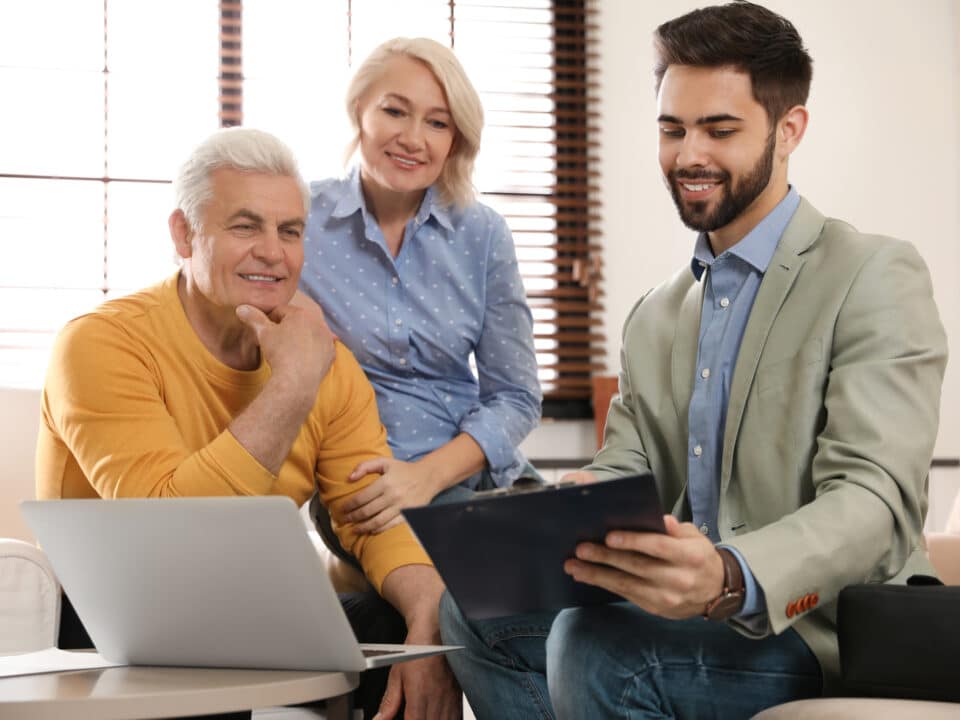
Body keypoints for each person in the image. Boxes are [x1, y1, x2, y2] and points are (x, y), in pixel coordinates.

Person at [438, 2, 948, 718]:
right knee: (467, 615)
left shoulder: (872, 274)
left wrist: (732, 575)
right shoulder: (656, 314)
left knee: (596, 646)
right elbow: (629, 466)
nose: (688, 155)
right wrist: (573, 504)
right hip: (688, 618)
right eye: (672, 129)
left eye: (720, 128)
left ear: (790, 128)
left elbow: (875, 501)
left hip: (821, 630)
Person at [36, 127, 460, 720]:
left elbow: (373, 517)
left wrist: (429, 623)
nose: (273, 252)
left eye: (290, 232)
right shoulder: (101, 343)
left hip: (245, 607)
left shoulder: (325, 362)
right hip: (116, 618)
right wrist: (290, 386)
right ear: (184, 234)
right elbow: (171, 537)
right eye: (245, 226)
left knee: (414, 628)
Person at [299, 37, 542, 538]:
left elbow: (516, 397)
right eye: (395, 111)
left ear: (456, 139)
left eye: (438, 122)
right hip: (365, 484)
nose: (414, 138)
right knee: (494, 611)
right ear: (359, 109)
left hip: (477, 477)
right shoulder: (299, 220)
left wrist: (426, 477)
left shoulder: (483, 233)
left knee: (581, 595)